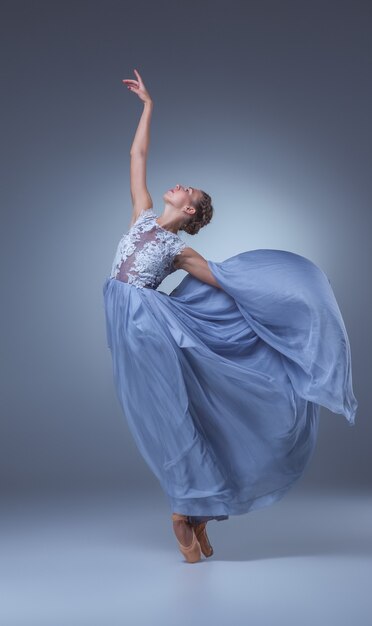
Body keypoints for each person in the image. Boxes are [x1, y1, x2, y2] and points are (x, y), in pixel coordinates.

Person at [103, 69, 358, 564]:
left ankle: (187, 512)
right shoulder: (142, 213)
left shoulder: (179, 251)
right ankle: (197, 510)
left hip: (146, 327)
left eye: (187, 191)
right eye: (181, 185)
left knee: (172, 417)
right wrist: (147, 106)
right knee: (169, 415)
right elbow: (136, 157)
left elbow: (232, 285)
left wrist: (295, 304)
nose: (178, 186)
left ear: (192, 213)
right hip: (127, 321)